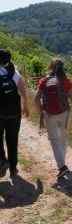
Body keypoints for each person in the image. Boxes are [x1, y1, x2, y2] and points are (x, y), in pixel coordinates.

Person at [35, 59, 72, 178]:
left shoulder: (44, 80)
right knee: (63, 136)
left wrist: (41, 110)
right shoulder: (66, 80)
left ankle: (62, 166)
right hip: (64, 113)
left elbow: (36, 98)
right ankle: (62, 162)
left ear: (50, 67)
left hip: (50, 114)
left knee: (54, 140)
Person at [0, 49, 29, 178]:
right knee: (12, 139)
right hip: (14, 113)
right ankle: (13, 167)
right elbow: (23, 92)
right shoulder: (14, 72)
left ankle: (2, 161)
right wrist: (26, 107)